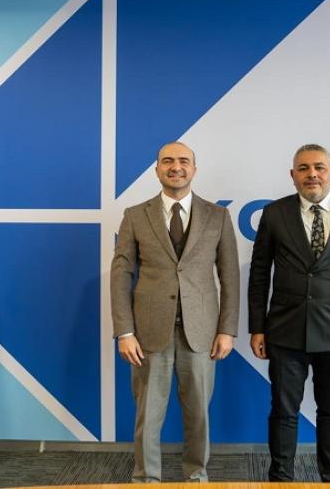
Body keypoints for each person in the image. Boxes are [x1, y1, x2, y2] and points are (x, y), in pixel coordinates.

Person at [248, 143, 330, 482]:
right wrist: (257, 327)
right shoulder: (275, 213)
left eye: (319, 167)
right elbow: (259, 274)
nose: (312, 174)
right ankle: (281, 479)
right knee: (283, 412)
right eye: (304, 168)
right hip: (285, 331)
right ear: (292, 175)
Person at [111, 141, 239, 483]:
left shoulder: (218, 216)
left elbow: (229, 276)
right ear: (157, 170)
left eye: (183, 161)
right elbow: (120, 275)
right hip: (148, 333)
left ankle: (196, 476)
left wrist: (227, 330)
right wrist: (124, 332)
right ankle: (146, 479)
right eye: (167, 161)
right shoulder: (135, 215)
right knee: (148, 414)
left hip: (202, 333)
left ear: (194, 169)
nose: (176, 167)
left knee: (199, 415)